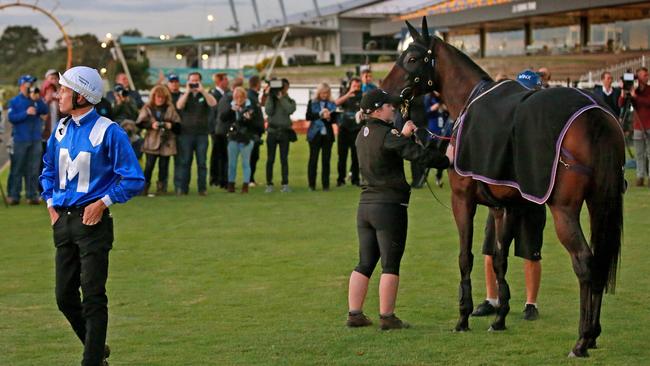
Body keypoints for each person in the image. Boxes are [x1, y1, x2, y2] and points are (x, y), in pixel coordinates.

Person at [40, 66, 144, 366]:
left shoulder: (109, 131)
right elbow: (47, 171)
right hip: (63, 222)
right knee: (64, 297)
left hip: (93, 224)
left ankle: (92, 361)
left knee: (94, 297)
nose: (59, 94)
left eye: (65, 90)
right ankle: (96, 351)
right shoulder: (60, 129)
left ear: (82, 96)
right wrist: (50, 205)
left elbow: (133, 179)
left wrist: (103, 202)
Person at [347, 88, 449, 329]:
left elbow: (387, 149)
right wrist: (447, 160)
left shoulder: (362, 133)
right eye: (389, 106)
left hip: (366, 205)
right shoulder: (387, 133)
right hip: (389, 206)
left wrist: (400, 135)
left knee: (365, 262)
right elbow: (416, 154)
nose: (393, 108)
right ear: (378, 109)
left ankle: (355, 314)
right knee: (390, 264)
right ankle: (387, 317)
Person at [472, 71, 546, 321]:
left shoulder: (541, 124)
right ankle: (491, 298)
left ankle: (531, 303)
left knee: (530, 252)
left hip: (530, 198)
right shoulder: (503, 123)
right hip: (501, 199)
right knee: (490, 250)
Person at [6, 74, 48, 205]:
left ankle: (32, 195)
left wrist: (38, 100)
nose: (31, 86)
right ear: (22, 85)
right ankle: (14, 195)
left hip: (35, 138)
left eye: (32, 84)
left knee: (34, 169)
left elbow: (44, 110)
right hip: (20, 139)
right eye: (29, 83)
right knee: (17, 168)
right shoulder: (14, 101)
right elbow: (12, 118)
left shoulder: (35, 99)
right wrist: (26, 113)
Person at [175, 72, 217, 195]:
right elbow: (179, 105)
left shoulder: (204, 94)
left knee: (202, 163)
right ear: (188, 82)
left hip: (202, 134)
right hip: (186, 134)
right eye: (192, 81)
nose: (194, 83)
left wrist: (203, 91)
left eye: (196, 81)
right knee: (185, 162)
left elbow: (213, 103)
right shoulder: (184, 95)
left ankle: (202, 188)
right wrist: (188, 91)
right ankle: (183, 189)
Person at [136, 85, 181, 196]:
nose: (160, 99)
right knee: (149, 166)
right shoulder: (147, 107)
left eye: (162, 97)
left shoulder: (170, 108)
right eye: (158, 97)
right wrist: (151, 125)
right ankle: (144, 188)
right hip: (151, 141)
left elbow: (178, 126)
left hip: (166, 142)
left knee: (164, 167)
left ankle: (161, 188)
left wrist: (170, 125)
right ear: (154, 97)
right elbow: (139, 123)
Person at [219, 87, 256, 193]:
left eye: (241, 97)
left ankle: (245, 185)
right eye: (236, 97)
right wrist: (232, 110)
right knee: (232, 163)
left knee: (245, 162)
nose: (239, 99)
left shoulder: (250, 107)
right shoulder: (231, 106)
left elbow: (251, 121)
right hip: (233, 137)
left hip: (246, 138)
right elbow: (223, 118)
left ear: (245, 97)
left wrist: (242, 111)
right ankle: (231, 184)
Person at [264, 78, 296, 193]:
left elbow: (290, 109)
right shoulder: (270, 98)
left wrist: (281, 98)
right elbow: (268, 111)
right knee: (270, 159)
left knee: (284, 159)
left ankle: (285, 183)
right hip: (272, 132)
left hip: (284, 132)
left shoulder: (289, 100)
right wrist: (271, 97)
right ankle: (269, 183)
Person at [620, 67, 650, 187]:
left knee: (649, 153)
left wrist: (636, 97)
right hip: (638, 126)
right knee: (639, 153)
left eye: (647, 75)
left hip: (648, 125)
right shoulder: (635, 90)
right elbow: (621, 104)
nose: (646, 78)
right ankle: (640, 176)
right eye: (644, 76)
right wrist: (624, 91)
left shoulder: (647, 91)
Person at [306, 83, 337, 191]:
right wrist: (320, 114)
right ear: (319, 92)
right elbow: (308, 116)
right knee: (313, 160)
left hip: (327, 136)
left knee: (326, 161)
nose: (325, 95)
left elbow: (335, 120)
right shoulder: (312, 102)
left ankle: (325, 185)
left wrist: (329, 118)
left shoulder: (332, 104)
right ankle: (311, 185)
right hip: (315, 135)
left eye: (327, 93)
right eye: (323, 93)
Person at [335, 77, 363, 186]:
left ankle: (355, 179)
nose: (356, 88)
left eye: (358, 86)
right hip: (344, 129)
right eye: (354, 86)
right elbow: (336, 103)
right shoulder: (344, 95)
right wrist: (348, 94)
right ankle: (340, 179)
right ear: (350, 85)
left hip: (356, 129)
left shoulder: (362, 96)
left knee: (355, 156)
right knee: (342, 155)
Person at [209, 72, 229, 188]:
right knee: (217, 154)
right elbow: (212, 113)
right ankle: (215, 178)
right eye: (225, 80)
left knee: (223, 154)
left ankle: (222, 178)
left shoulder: (226, 94)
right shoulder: (213, 94)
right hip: (216, 129)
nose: (227, 82)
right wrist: (213, 129)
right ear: (220, 81)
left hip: (224, 129)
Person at [247, 76, 265, 187]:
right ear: (257, 83)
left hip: (255, 130)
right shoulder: (251, 97)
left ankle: (251, 179)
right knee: (252, 156)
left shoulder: (254, 96)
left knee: (254, 156)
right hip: (252, 131)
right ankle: (249, 179)